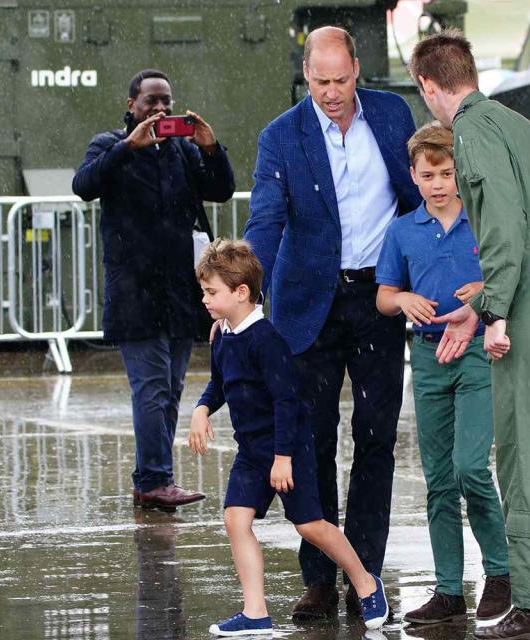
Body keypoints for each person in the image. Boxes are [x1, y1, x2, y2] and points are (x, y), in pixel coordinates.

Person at [409, 30, 530, 640]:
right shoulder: (522, 125)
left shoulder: (471, 128)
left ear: (428, 86)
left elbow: (499, 226)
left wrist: (493, 306)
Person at [242, 26, 421, 620]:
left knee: (375, 440)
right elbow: (266, 220)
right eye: (320, 82)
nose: (332, 93)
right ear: (306, 74)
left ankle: (365, 572)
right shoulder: (281, 135)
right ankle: (318, 578)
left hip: (377, 298)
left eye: (341, 80)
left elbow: (421, 197)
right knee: (310, 441)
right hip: (307, 306)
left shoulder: (394, 115)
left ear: (357, 70)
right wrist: (244, 292)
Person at [188, 240, 388, 636]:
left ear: (240, 292)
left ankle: (365, 581)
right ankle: (255, 611)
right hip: (251, 452)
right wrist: (201, 409)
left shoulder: (267, 341)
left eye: (212, 293)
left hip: (288, 447)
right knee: (235, 519)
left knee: (310, 525)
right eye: (205, 292)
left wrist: (283, 458)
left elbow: (285, 402)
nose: (205, 300)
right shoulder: (223, 335)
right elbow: (219, 383)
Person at [72, 68, 234, 511]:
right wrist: (129, 147)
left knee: (171, 387)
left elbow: (222, 189)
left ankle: (149, 479)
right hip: (134, 293)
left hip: (180, 293)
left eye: (166, 101)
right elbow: (83, 185)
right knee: (152, 390)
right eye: (151, 102)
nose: (160, 109)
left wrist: (210, 147)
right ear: (131, 107)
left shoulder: (181, 150)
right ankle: (156, 479)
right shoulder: (110, 146)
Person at [374, 122, 511, 624]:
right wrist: (402, 298)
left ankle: (500, 572)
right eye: (428, 174)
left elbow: (506, 271)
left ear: (460, 174)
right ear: (413, 175)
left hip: (477, 350)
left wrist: (482, 286)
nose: (437, 183)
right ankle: (449, 589)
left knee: (470, 466)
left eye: (446, 173)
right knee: (438, 479)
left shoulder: (483, 219)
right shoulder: (403, 229)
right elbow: (384, 296)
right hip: (429, 357)